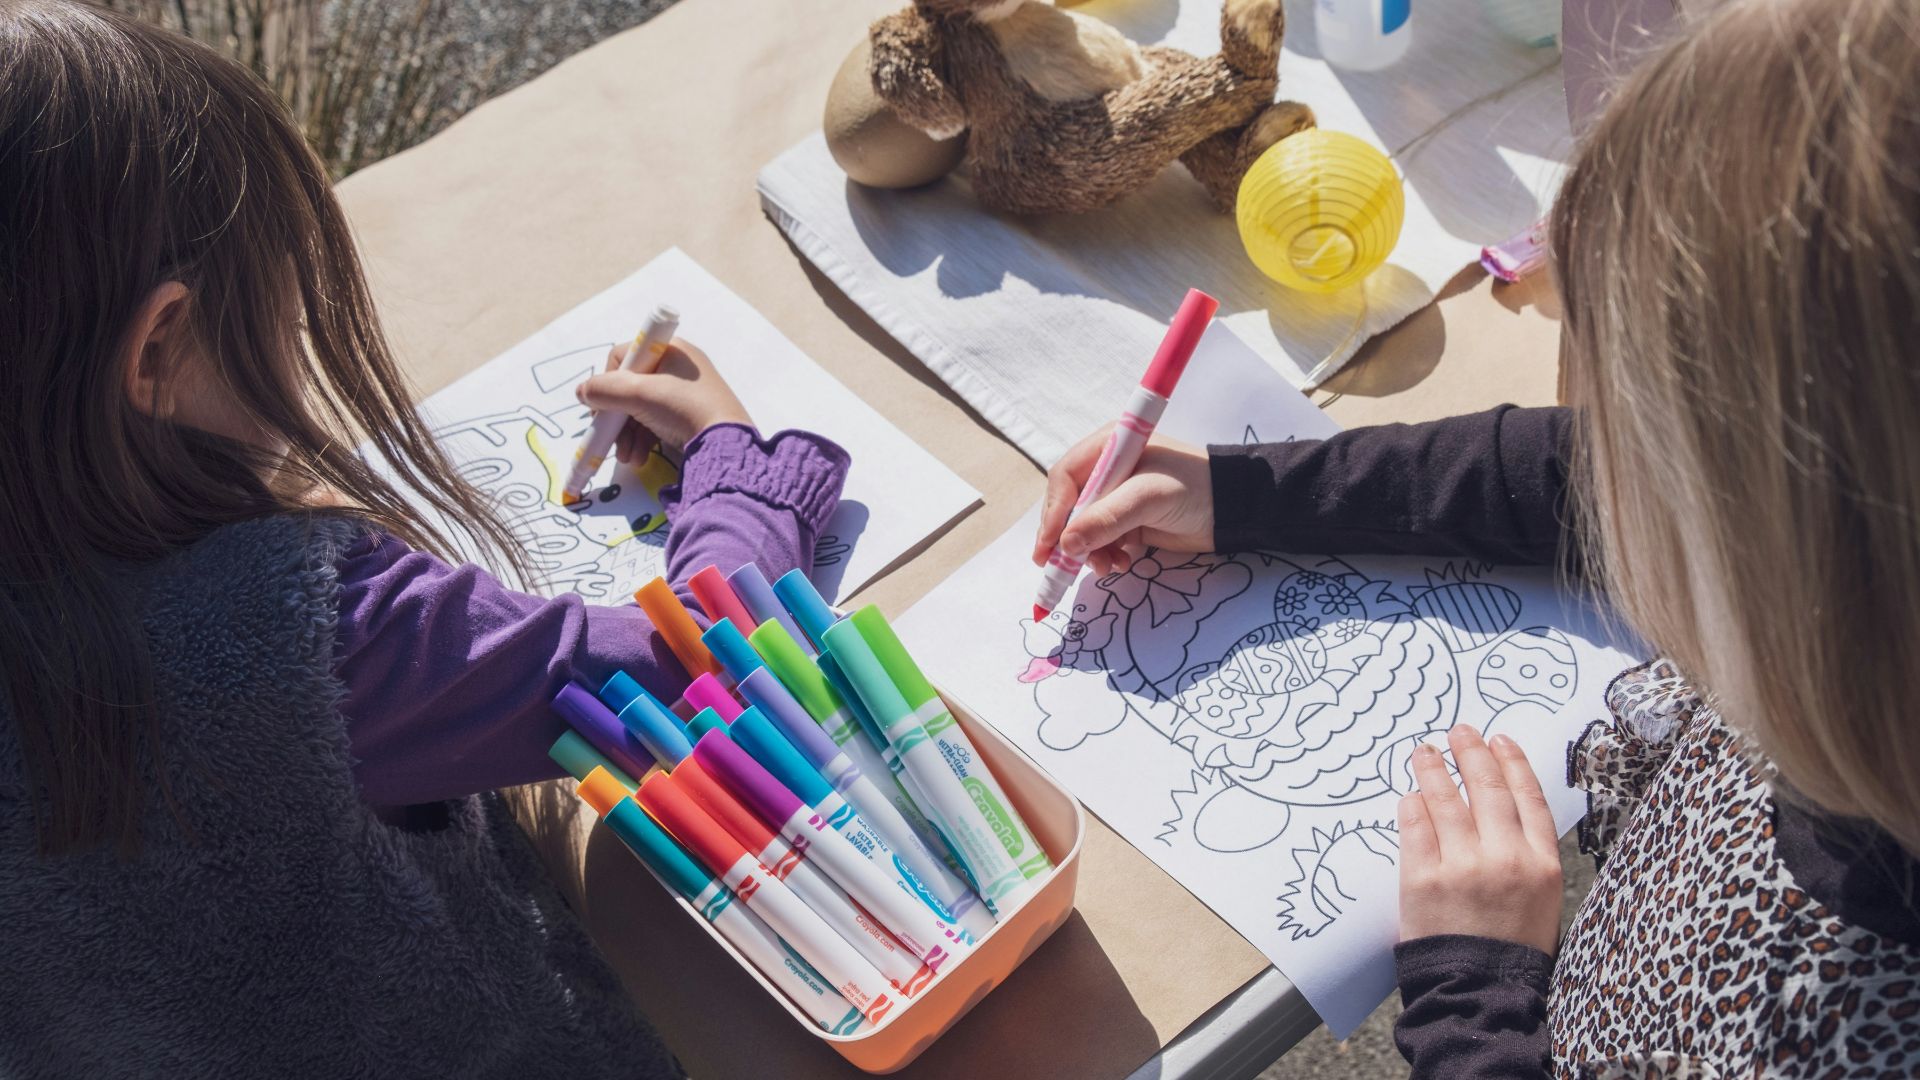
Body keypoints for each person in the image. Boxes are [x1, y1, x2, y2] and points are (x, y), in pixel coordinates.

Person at [1034, 0, 1920, 1073]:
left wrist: (1476, 993)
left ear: (1783, 567)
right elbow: (1567, 473)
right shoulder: (1854, 623)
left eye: (1649, 460)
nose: (1605, 473)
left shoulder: (1849, 1037)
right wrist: (1247, 491)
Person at [0, 2, 847, 1075]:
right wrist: (735, 466)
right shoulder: (313, 639)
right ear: (160, 347)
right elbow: (710, 662)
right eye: (285, 305)